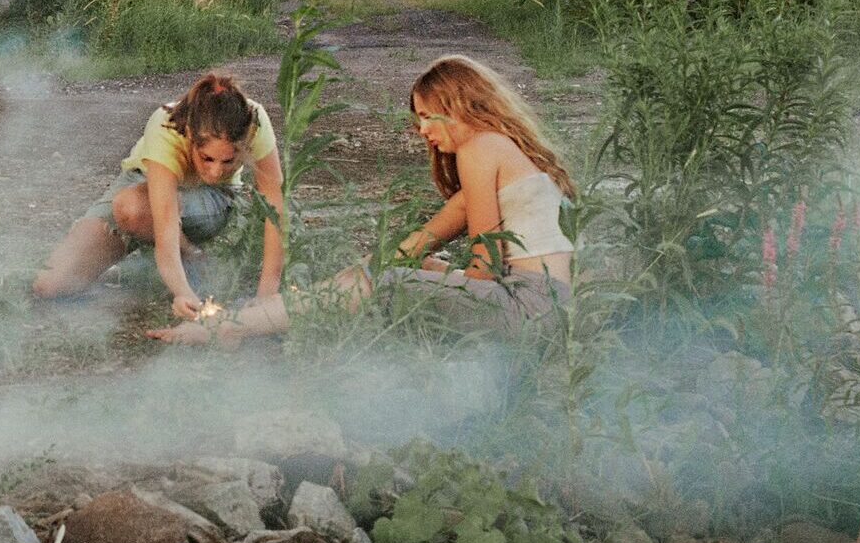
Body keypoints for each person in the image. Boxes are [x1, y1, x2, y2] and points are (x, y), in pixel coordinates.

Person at [149, 54, 574, 344]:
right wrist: (367, 267)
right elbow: (415, 245)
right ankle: (248, 319)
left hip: (529, 308)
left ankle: (231, 326)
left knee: (383, 283)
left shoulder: (480, 148)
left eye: (427, 116)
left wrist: (374, 277)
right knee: (386, 267)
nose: (421, 130)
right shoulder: (500, 151)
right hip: (543, 304)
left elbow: (485, 271)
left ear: (457, 106)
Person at [31, 73, 288, 320]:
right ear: (190, 135)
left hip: (212, 198)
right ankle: (188, 258)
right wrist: (183, 292)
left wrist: (267, 294)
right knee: (50, 284)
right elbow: (164, 222)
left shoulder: (254, 123)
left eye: (228, 161)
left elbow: (274, 208)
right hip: (142, 184)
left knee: (133, 206)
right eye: (207, 158)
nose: (215, 170)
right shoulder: (166, 123)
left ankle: (191, 264)